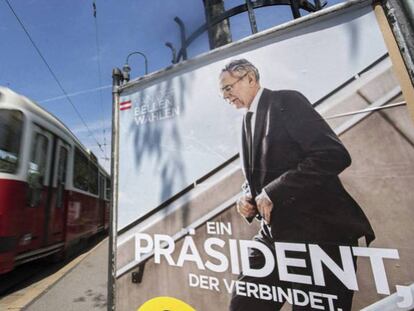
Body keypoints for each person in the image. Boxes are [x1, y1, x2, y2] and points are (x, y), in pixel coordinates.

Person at [219, 59, 375, 311]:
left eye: (228, 88)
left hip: (319, 236)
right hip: (273, 237)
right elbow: (261, 173)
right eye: (221, 92)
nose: (225, 96)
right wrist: (247, 196)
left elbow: (332, 154)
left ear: (250, 78)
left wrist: (274, 192)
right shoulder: (245, 121)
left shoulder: (286, 101)